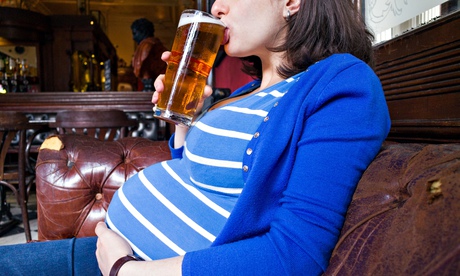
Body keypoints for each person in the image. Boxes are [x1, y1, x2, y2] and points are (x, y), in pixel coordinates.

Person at [0, 0, 391, 275]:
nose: (217, 8)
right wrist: (184, 118)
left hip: (144, 268)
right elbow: (194, 175)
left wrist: (127, 269)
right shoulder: (245, 92)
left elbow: (295, 253)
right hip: (116, 253)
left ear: (292, 0)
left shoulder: (339, 83)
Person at [131, 18, 168, 91]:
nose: (133, 37)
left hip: (151, 90)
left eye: (135, 33)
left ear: (143, 32)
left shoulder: (146, 46)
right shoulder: (158, 46)